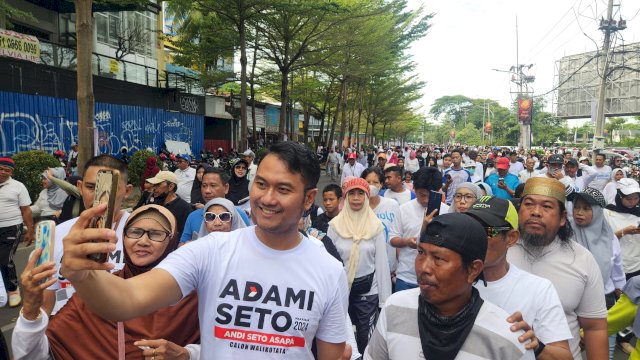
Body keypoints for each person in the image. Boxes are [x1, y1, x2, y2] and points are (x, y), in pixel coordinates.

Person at [59, 141, 349, 359]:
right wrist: (82, 274)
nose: (267, 198)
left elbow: (330, 355)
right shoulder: (210, 251)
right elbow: (126, 300)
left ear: (309, 198)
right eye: (261, 184)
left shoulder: (328, 270)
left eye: (283, 189)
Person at [13, 205, 201, 359]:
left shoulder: (189, 295)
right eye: (135, 232)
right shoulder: (100, 289)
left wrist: (188, 354)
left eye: (156, 233)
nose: (143, 241)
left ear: (172, 239)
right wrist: (30, 308)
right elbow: (36, 355)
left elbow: (226, 348)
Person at [364, 213, 534, 360]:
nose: (424, 268)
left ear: (473, 269)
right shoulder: (395, 308)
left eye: (439, 258)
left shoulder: (507, 338)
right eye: (421, 253)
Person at [507, 177, 608, 359]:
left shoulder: (581, 260)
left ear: (562, 218)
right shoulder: (499, 251)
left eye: (546, 206)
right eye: (528, 204)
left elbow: (595, 328)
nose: (536, 212)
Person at [465, 196, 574, 359]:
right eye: (471, 228)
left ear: (511, 238)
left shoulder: (538, 289)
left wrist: (536, 346)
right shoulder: (448, 280)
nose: (476, 237)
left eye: (487, 231)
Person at [42, 155, 133, 315]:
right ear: (80, 186)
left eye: (111, 188)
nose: (100, 198)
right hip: (67, 327)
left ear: (127, 191)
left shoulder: (140, 232)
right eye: (91, 187)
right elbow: (47, 294)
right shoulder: (58, 233)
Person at [327, 177, 391, 354]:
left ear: (366, 197)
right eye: (352, 193)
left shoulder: (376, 226)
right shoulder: (334, 226)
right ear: (345, 197)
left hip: (368, 292)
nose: (356, 198)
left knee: (365, 338)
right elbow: (328, 262)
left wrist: (384, 300)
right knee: (339, 336)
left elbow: (382, 264)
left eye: (360, 194)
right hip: (340, 292)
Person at [571, 187, 626, 359]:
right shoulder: (564, 234)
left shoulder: (610, 238)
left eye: (586, 208)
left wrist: (623, 298)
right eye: (576, 207)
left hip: (604, 299)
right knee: (570, 348)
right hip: (573, 301)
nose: (579, 212)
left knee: (604, 348)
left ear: (597, 211)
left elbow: (617, 272)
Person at [390, 167, 448, 291]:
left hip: (436, 278)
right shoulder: (403, 209)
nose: (425, 200)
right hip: (407, 276)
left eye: (430, 195)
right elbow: (392, 239)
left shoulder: (447, 212)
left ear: (438, 191)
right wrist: (406, 242)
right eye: (422, 195)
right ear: (414, 189)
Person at [180, 168, 251, 243]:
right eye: (204, 186)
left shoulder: (239, 214)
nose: (207, 191)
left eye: (213, 185)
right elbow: (182, 244)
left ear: (226, 188)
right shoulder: (193, 216)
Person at [0, 157, 34, 307]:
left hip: (12, 226)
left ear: (11, 172)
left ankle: (13, 289)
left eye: (7, 170)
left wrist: (30, 230)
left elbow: (26, 210)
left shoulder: (18, 186)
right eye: (1, 168)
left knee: (5, 260)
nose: (3, 172)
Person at [604, 178, 640, 280]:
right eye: (628, 199)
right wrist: (623, 232)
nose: (633, 202)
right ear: (619, 196)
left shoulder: (638, 213)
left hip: (637, 265)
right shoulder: (607, 213)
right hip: (618, 267)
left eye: (636, 198)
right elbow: (603, 240)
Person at [146, 171, 192, 241]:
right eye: (154, 185)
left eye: (158, 185)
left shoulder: (185, 208)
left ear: (171, 186)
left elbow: (184, 235)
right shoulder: (153, 201)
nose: (154, 188)